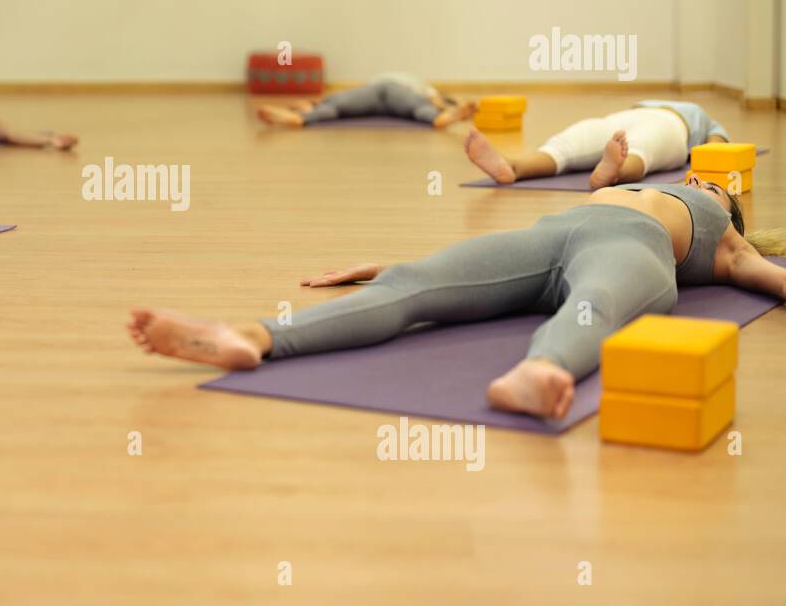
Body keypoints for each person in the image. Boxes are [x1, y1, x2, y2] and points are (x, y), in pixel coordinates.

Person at [128, 178, 786, 420]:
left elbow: (765, 276)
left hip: (632, 250)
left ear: (725, 208)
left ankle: (540, 373)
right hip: (543, 236)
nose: (705, 176)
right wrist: (395, 262)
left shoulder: (725, 236)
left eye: (715, 184)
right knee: (413, 286)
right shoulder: (641, 182)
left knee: (593, 306)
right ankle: (253, 336)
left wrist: (736, 236)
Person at [466, 99, 730, 188]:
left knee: (641, 149)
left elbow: (715, 148)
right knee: (573, 139)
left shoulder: (702, 118)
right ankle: (512, 166)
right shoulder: (651, 106)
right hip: (625, 118)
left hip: (673, 127)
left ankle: (615, 170)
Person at [256, 72, 477, 128]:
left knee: (336, 107)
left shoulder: (421, 86)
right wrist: (448, 106)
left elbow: (434, 98)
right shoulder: (423, 87)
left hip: (376, 91)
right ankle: (442, 118)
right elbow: (432, 99)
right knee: (419, 109)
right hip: (389, 95)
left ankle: (302, 116)